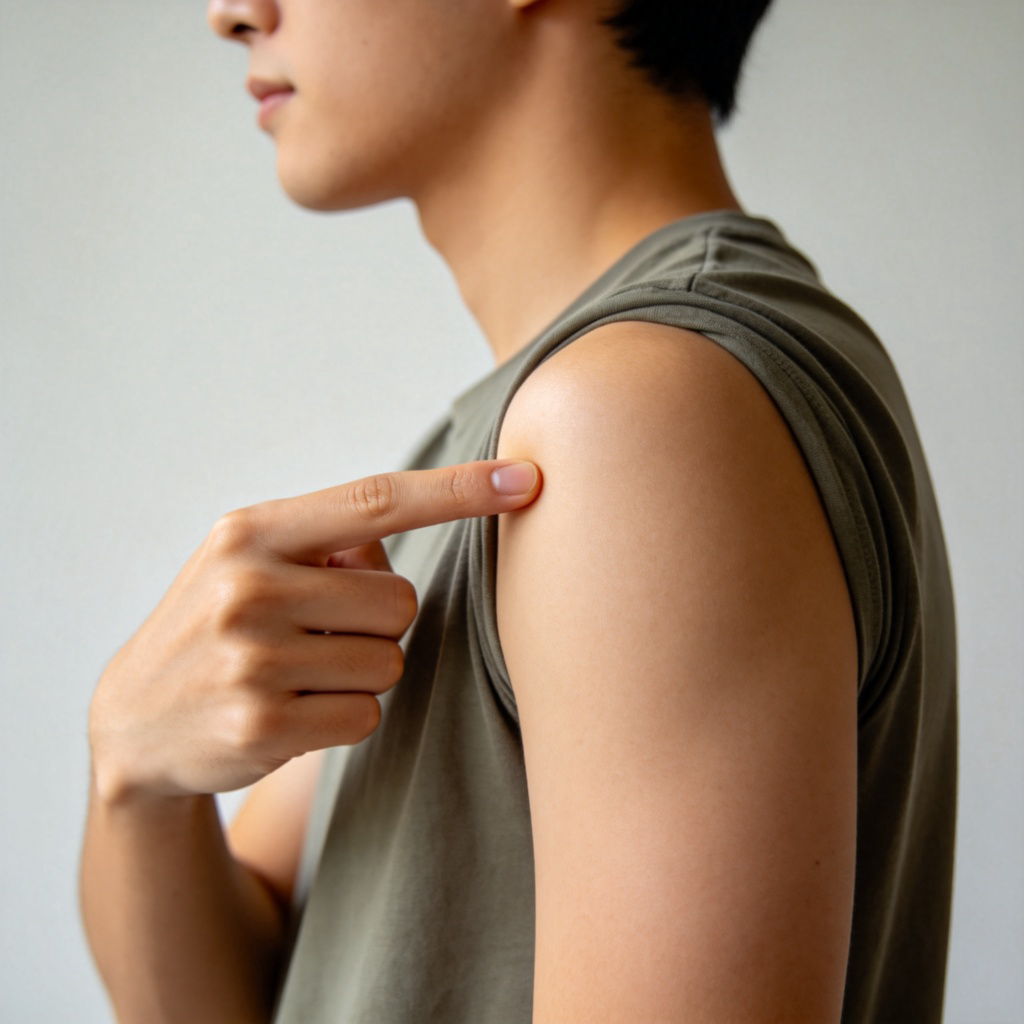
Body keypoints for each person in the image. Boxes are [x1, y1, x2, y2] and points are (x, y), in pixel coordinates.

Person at [80, 0, 957, 1021]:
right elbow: (246, 984)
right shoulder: (510, 443)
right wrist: (135, 780)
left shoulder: (639, 416)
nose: (232, 13)